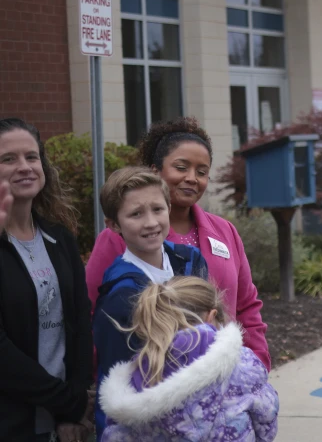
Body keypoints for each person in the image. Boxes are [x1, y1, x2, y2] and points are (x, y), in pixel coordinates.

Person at [85, 117, 270, 369]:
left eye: (201, 172)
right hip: (152, 377)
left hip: (226, 373)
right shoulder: (119, 237)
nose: (192, 178)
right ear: (155, 171)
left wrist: (257, 361)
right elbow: (92, 311)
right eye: (181, 167)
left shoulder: (225, 231)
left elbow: (246, 305)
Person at [93, 166, 209, 438]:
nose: (151, 222)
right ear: (113, 225)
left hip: (203, 411)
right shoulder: (120, 296)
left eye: (158, 209)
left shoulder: (191, 261)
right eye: (136, 214)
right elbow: (115, 380)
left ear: (169, 208)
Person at [0, 118, 94, 441]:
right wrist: (69, 402)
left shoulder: (60, 239)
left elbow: (80, 323)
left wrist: (72, 411)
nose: (24, 167)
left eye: (31, 156)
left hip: (62, 422)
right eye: (8, 159)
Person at [98, 276, 279, 441]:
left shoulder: (133, 382)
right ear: (211, 317)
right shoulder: (242, 364)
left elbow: (114, 435)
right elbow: (266, 422)